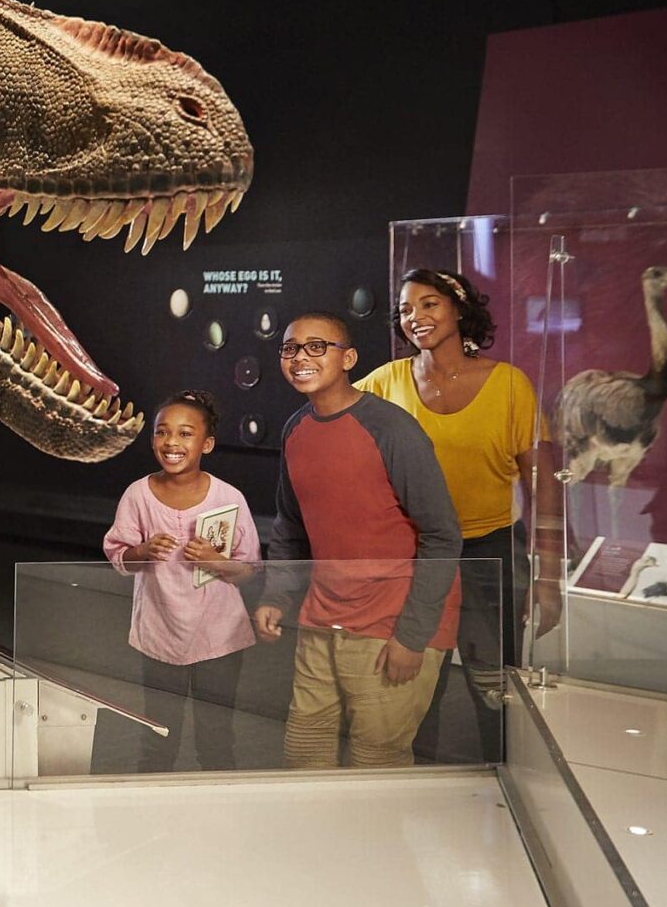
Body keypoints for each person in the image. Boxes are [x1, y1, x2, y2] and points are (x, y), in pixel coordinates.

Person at [355, 268, 555, 761]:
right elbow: (332, 420)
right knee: (416, 680)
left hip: (491, 549)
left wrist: (548, 577)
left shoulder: (509, 385)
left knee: (495, 682)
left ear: (459, 308)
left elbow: (545, 485)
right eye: (405, 309)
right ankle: (418, 781)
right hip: (418, 553)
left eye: (429, 304)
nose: (415, 317)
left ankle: (505, 776)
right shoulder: (386, 381)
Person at [251, 312, 463, 769]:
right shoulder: (296, 429)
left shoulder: (391, 429)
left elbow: (442, 534)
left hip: (392, 622)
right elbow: (290, 525)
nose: (299, 357)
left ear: (348, 358)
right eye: (290, 347)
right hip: (323, 616)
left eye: (315, 346)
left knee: (375, 761)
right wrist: (278, 594)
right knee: (305, 749)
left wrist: (413, 636)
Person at [102, 390, 258, 771]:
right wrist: (143, 551)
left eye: (185, 434)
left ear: (207, 443)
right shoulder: (138, 494)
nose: (171, 442)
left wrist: (216, 561)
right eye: (162, 432)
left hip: (220, 637)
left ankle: (221, 819)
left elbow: (250, 568)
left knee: (216, 735)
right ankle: (151, 821)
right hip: (159, 633)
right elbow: (118, 554)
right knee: (158, 735)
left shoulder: (229, 497)